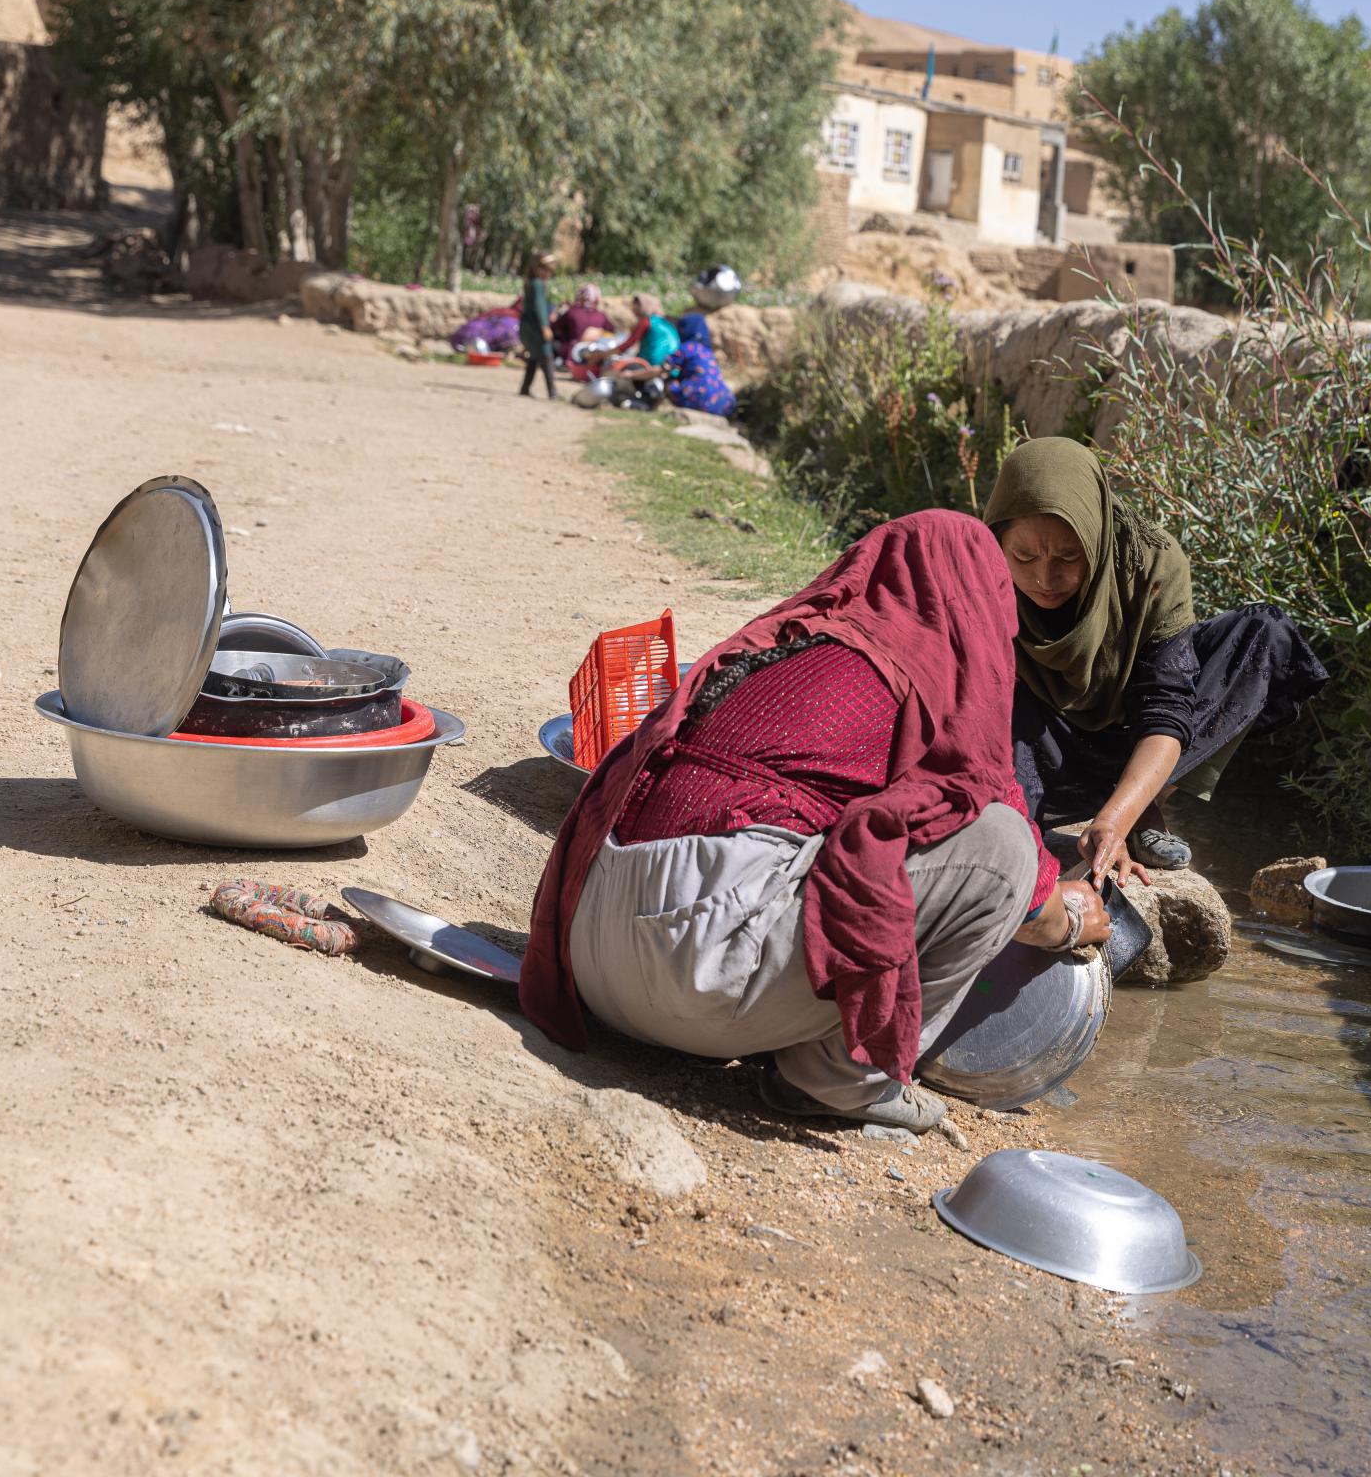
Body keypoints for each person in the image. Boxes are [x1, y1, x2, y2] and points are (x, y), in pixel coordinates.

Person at [519, 512, 1113, 1133]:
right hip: (689, 983)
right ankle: (842, 1078)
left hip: (583, 958)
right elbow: (1023, 894)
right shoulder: (920, 681)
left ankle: (786, 1032)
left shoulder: (790, 642)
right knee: (1004, 846)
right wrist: (1067, 918)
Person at [983, 437, 1329, 880]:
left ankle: (1146, 799)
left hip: (1136, 733)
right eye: (1024, 556)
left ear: (1098, 534)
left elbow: (1165, 706)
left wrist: (1113, 821)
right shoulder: (977, 573)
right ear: (998, 539)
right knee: (1004, 841)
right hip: (1040, 745)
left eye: (1070, 556)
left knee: (1266, 633)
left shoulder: (1150, 563)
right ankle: (1030, 818)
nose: (1045, 578)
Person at [515, 255, 561, 399]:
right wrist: (545, 326)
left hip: (528, 326)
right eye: (547, 270)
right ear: (539, 269)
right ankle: (552, 392)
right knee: (547, 355)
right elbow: (539, 307)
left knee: (534, 358)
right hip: (535, 327)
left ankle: (525, 388)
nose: (549, 274)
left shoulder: (532, 283)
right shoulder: (538, 284)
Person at [551, 281, 614, 382]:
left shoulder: (572, 312)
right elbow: (612, 331)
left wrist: (557, 309)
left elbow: (553, 326)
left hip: (570, 355)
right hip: (594, 356)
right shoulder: (601, 316)